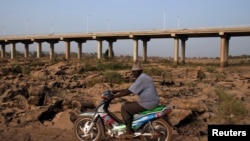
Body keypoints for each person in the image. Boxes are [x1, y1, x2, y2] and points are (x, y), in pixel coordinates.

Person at [111, 62, 160, 138]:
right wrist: (116, 91)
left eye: (133, 72)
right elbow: (130, 89)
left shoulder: (141, 79)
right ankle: (134, 126)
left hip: (148, 103)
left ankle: (129, 131)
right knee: (129, 104)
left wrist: (113, 97)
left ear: (138, 71)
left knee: (125, 108)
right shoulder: (143, 77)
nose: (132, 74)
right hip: (151, 101)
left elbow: (128, 92)